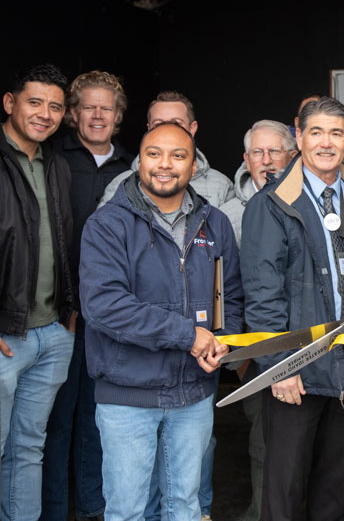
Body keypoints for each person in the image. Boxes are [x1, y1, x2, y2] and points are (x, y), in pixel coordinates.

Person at [241, 96, 344, 521]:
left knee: (335, 479)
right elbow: (262, 294)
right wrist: (279, 365)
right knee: (287, 483)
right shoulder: (270, 204)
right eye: (316, 132)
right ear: (299, 137)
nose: (326, 142)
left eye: (336, 133)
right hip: (300, 358)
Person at [79, 121, 243, 520]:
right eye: (154, 154)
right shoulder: (107, 224)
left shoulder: (214, 223)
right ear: (139, 161)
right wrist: (188, 335)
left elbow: (231, 296)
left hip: (193, 395)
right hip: (127, 395)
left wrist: (224, 341)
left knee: (184, 507)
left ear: (193, 165)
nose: (165, 165)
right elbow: (104, 305)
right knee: (128, 510)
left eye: (178, 155)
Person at [42, 70, 134, 521]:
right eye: (89, 107)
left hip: (113, 319)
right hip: (62, 316)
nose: (98, 115)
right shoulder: (53, 159)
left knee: (100, 420)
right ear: (73, 113)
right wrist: (65, 303)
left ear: (118, 116)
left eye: (107, 108)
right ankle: (55, 511)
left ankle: (93, 508)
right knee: (57, 420)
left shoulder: (135, 168)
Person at [0, 63, 76, 521]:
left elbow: (63, 241)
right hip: (5, 338)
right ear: (10, 103)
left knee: (27, 449)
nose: (45, 114)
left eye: (54, 106)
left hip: (50, 335)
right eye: (34, 102)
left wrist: (68, 316)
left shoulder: (57, 165)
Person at [218, 119, 296, 521]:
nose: (267, 161)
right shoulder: (227, 214)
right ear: (246, 160)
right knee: (263, 439)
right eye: (258, 153)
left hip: (305, 341)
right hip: (254, 348)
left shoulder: (310, 203)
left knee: (304, 440)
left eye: (275, 151)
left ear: (292, 154)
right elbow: (220, 286)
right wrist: (238, 350)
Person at [99, 91, 234, 207]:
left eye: (176, 123)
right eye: (158, 124)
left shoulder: (221, 185)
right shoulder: (121, 184)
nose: (167, 130)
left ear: (192, 128)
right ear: (148, 129)